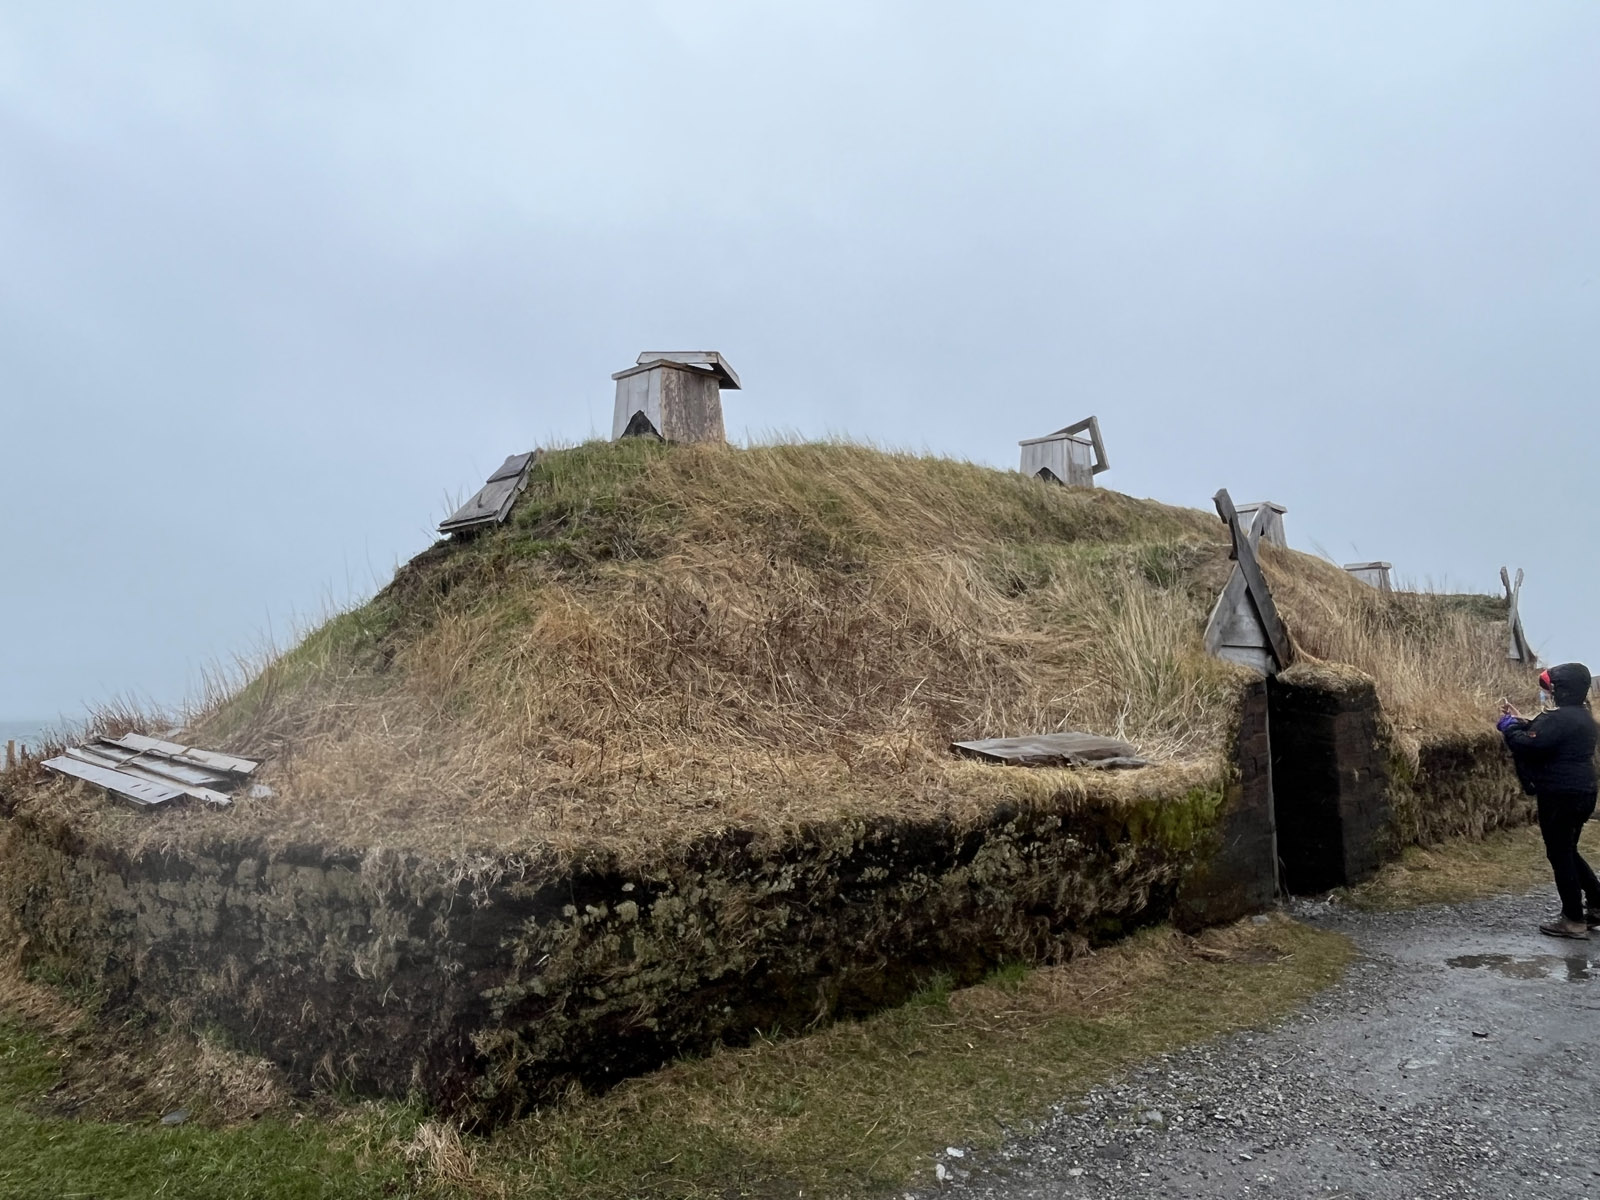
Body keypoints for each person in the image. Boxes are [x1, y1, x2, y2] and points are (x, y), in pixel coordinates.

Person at [1498, 663, 1600, 939]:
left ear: (1562, 690)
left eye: (1552, 688)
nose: (1550, 693)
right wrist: (1522, 722)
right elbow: (1545, 734)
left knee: (1559, 853)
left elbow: (1529, 745)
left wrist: (1509, 728)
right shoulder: (1583, 717)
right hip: (1584, 792)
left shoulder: (1560, 719)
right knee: (1567, 849)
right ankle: (1598, 903)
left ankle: (1573, 920)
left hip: (1559, 795)